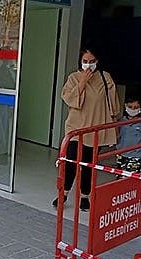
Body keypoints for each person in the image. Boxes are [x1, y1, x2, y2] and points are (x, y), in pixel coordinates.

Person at [53, 48, 120, 211]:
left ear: (97, 61)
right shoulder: (73, 78)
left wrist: (114, 126)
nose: (88, 65)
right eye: (85, 61)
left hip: (95, 128)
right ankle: (64, 194)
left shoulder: (105, 77)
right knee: (71, 163)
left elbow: (113, 104)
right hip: (76, 128)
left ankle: (84, 197)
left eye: (92, 61)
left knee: (89, 165)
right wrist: (82, 82)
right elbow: (68, 99)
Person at [116, 97, 141, 178]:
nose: (133, 110)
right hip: (121, 154)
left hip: (136, 156)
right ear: (125, 106)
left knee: (130, 181)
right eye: (130, 107)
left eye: (136, 108)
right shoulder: (121, 121)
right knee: (119, 178)